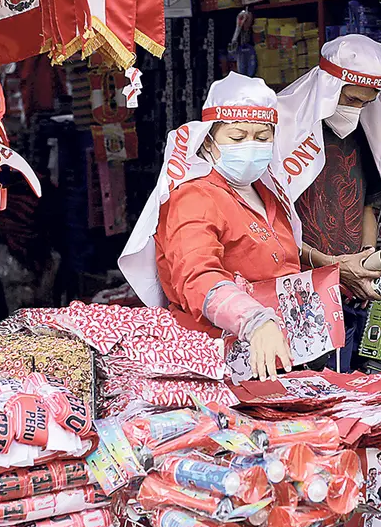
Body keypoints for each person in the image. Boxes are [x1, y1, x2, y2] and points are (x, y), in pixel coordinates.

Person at [119, 73, 301, 380]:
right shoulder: (194, 196)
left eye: (261, 137)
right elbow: (197, 275)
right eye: (237, 137)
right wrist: (253, 320)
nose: (250, 147)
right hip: (218, 362)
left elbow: (275, 252)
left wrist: (332, 267)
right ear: (209, 140)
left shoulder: (266, 191)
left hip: (278, 355)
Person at [275, 34, 381, 371]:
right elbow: (269, 222)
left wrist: (366, 255)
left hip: (349, 288)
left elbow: (366, 204)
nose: (356, 111)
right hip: (295, 290)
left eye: (366, 104)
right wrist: (329, 265)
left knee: (343, 387)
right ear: (329, 86)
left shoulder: (365, 133)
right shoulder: (284, 132)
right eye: (351, 99)